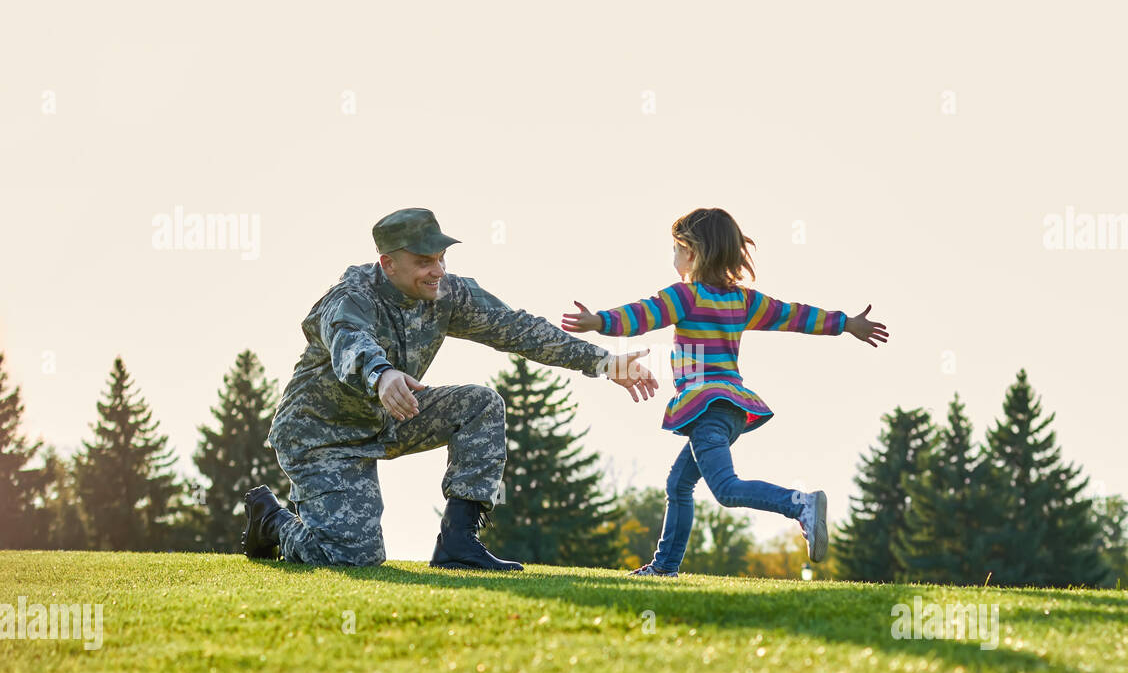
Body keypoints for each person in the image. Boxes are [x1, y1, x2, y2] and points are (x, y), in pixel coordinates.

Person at [242, 207, 657, 571]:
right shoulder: (351, 296)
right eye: (424, 261)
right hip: (319, 436)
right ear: (388, 264)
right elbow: (349, 340)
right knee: (352, 557)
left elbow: (518, 329)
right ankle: (272, 522)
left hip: (392, 415)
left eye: (441, 257)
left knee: (480, 404)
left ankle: (458, 543)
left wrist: (603, 361)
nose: (438, 270)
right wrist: (382, 374)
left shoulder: (447, 294)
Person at [562, 207, 888, 577]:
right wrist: (845, 324)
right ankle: (664, 567)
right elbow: (793, 315)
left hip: (707, 408)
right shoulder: (744, 301)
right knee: (679, 484)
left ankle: (801, 504)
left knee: (726, 489)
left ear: (692, 252)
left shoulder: (685, 297)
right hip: (731, 409)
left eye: (675, 248)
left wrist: (598, 321)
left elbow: (642, 314)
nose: (672, 257)